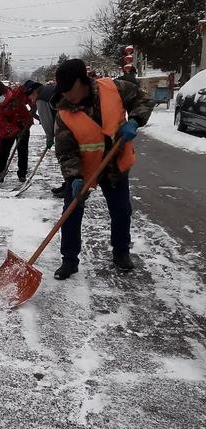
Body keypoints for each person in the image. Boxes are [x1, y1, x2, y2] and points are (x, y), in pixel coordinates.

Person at [52, 58, 153, 280]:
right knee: (71, 213)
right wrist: (75, 177)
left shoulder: (113, 89)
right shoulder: (64, 113)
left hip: (114, 164)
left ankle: (121, 253)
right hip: (84, 169)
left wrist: (135, 120)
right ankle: (69, 260)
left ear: (82, 81)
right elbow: (66, 152)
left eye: (69, 89)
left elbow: (142, 99)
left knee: (121, 210)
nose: (66, 95)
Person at [23, 79, 66, 198]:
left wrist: (49, 137)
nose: (31, 100)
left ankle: (70, 185)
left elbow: (46, 121)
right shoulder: (49, 90)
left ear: (34, 92)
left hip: (64, 130)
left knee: (66, 158)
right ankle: (69, 183)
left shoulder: (41, 99)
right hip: (71, 124)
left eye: (31, 96)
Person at [0, 81, 33, 185]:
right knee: (3, 153)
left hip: (24, 125)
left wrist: (33, 104)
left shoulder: (16, 95)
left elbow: (29, 98)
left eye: (1, 96)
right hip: (8, 131)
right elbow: (2, 122)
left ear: (5, 92)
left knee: (23, 151)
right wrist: (15, 130)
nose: (0, 100)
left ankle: (22, 174)